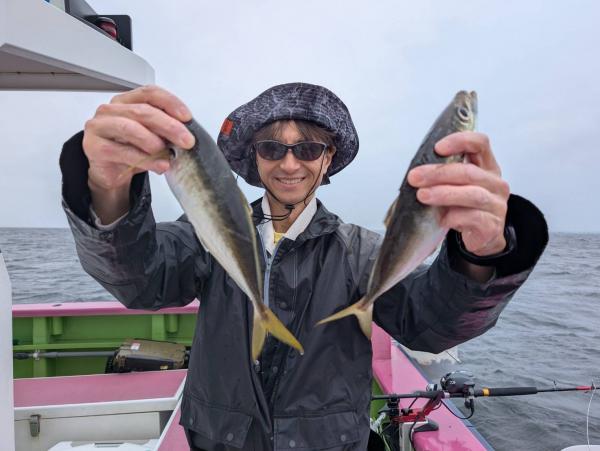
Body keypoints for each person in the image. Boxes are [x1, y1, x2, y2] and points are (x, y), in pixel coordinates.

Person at [59, 83, 548, 450]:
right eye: (272, 148)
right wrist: (105, 187)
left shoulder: (362, 252)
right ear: (254, 158)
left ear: (328, 158)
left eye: (308, 148)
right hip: (217, 441)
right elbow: (140, 280)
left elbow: (432, 324)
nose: (289, 164)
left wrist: (482, 255)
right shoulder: (206, 234)